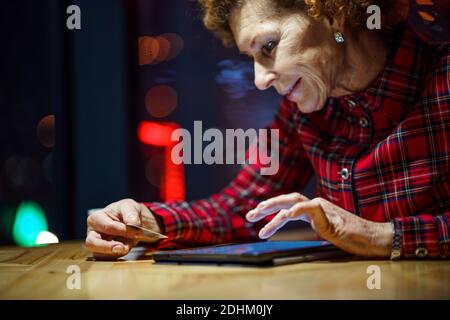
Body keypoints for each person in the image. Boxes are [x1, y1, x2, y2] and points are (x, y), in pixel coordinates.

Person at [85, 0, 449, 260]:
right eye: (252, 59)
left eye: (269, 46)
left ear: (333, 12)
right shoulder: (304, 113)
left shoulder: (442, 78)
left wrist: (383, 236)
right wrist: (142, 221)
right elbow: (241, 210)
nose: (260, 80)